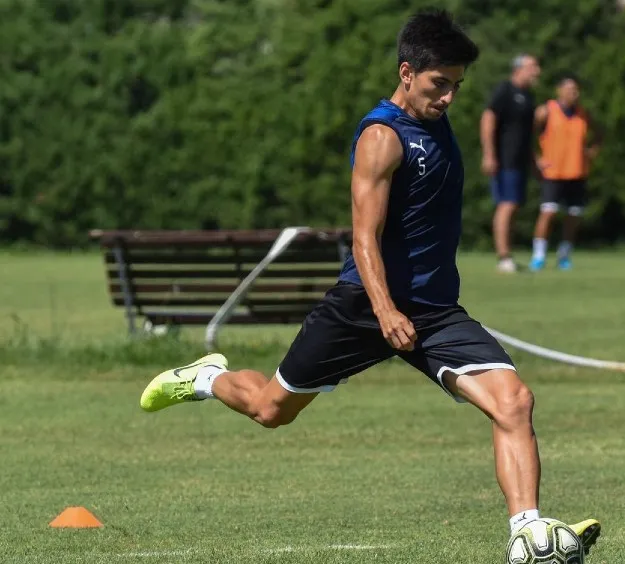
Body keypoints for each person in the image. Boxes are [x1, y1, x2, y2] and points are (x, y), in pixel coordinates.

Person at [138, 9, 601, 556]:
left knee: (514, 402)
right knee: (268, 410)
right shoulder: (383, 136)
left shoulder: (434, 118)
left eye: (457, 85)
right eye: (439, 84)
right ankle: (208, 377)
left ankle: (526, 532)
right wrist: (384, 311)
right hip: (364, 305)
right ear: (406, 73)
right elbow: (363, 237)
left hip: (433, 310)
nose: (450, 97)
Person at [529, 75, 600, 271]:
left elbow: (599, 134)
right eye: (570, 89)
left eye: (576, 90)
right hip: (553, 172)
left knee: (573, 216)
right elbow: (528, 134)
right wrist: (536, 158)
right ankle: (539, 255)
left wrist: (591, 152)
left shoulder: (583, 114)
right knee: (548, 213)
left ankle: (564, 255)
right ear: (559, 91)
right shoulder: (546, 111)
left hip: (577, 172)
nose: (574, 94)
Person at [480, 54, 541, 273]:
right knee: (507, 204)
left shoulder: (528, 96)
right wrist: (489, 154)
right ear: (519, 69)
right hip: (504, 159)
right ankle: (503, 256)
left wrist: (534, 163)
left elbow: (529, 135)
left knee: (514, 206)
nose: (537, 71)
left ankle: (508, 255)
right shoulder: (505, 91)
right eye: (533, 66)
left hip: (520, 160)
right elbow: (488, 119)